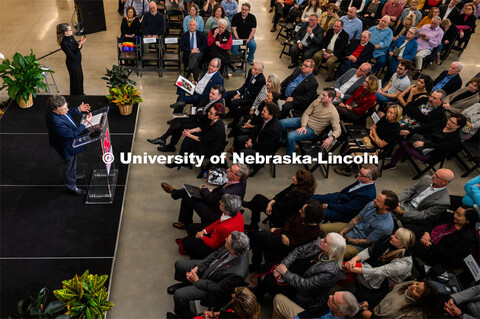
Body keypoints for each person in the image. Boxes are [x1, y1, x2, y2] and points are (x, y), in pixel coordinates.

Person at [256, 233, 346, 317]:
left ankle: (255, 298)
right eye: (324, 238)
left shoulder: (330, 271)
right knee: (263, 268)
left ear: (332, 249)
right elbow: (298, 251)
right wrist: (283, 266)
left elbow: (305, 285)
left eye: (325, 241)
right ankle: (259, 293)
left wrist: (285, 273)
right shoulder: (319, 244)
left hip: (301, 293)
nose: (321, 240)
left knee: (267, 279)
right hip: (290, 270)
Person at [166, 231, 249, 319]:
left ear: (232, 251)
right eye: (227, 238)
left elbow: (218, 289)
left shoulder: (237, 273)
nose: (225, 239)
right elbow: (215, 254)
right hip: (209, 269)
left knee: (179, 295)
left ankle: (181, 316)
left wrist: (197, 281)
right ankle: (185, 283)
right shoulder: (233, 244)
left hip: (211, 286)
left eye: (227, 241)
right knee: (179, 264)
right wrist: (197, 268)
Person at [160, 164, 249, 229]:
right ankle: (176, 195)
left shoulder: (226, 192)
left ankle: (175, 194)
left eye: (230, 170)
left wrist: (204, 189)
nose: (228, 169)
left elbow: (210, 199)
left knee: (187, 194)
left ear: (237, 177)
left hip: (214, 213)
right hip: (220, 203)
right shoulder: (242, 181)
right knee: (188, 193)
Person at [345, 228, 415, 306]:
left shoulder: (404, 264)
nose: (391, 236)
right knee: (346, 267)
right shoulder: (388, 240)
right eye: (394, 234)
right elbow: (369, 251)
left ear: (403, 244)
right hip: (373, 267)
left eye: (396, 237)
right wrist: (354, 259)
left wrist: (355, 269)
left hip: (384, 283)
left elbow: (379, 271)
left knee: (348, 271)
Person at [250, 199, 324, 272]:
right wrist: (284, 234)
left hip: (288, 246)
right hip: (283, 235)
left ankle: (254, 263)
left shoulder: (313, 232)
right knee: (258, 240)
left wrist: (279, 233)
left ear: (309, 216)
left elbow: (294, 243)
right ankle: (255, 264)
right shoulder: (301, 216)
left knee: (258, 237)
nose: (299, 211)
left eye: (302, 211)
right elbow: (290, 221)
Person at [320, 190, 398, 259]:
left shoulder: (385, 226)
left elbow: (367, 242)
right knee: (321, 228)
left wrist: (347, 239)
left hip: (358, 245)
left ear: (386, 207)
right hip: (352, 229)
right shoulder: (372, 205)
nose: (374, 200)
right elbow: (357, 218)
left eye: (378, 200)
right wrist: (342, 232)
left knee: (331, 251)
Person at [151, 85, 224, 153]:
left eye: (213, 94)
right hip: (197, 118)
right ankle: (164, 139)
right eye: (210, 92)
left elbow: (206, 120)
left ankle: (167, 143)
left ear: (219, 96)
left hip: (201, 124)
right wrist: (200, 112)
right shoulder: (210, 98)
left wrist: (201, 112)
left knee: (180, 126)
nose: (210, 94)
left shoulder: (218, 106)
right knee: (178, 120)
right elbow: (199, 106)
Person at [335, 105, 402, 177]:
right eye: (388, 112)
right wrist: (375, 136)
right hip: (371, 139)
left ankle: (347, 170)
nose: (388, 114)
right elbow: (374, 127)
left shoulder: (395, 129)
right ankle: (342, 159)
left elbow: (381, 144)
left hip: (377, 149)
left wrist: (372, 135)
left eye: (391, 113)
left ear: (396, 115)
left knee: (353, 150)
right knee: (349, 142)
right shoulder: (385, 119)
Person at [45, 95, 91, 195]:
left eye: (66, 106)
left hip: (67, 142)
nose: (66, 110)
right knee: (69, 164)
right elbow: (71, 135)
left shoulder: (59, 110)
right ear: (54, 110)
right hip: (66, 146)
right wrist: (84, 125)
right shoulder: (55, 121)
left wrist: (78, 109)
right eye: (63, 109)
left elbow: (67, 113)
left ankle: (72, 176)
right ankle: (71, 186)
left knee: (72, 162)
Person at [412, 205, 478, 273]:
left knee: (409, 242)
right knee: (409, 228)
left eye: (459, 215)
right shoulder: (450, 217)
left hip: (434, 253)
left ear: (468, 221)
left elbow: (450, 254)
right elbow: (433, 222)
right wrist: (427, 233)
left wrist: (430, 245)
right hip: (428, 237)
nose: (455, 215)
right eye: (456, 212)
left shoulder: (466, 238)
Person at [244, 169, 317, 230]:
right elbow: (283, 192)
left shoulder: (299, 199)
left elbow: (283, 207)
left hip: (282, 217)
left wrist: (272, 202)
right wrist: (272, 201)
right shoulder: (297, 186)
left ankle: (253, 223)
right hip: (281, 207)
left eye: (296, 177)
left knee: (258, 199)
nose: (293, 177)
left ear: (301, 182)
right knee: (258, 201)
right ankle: (252, 208)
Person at [178, 194, 244, 259]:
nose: (219, 202)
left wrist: (202, 237)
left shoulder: (225, 228)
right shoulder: (235, 213)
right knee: (191, 227)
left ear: (227, 209)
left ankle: (196, 255)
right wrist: (204, 231)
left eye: (222, 203)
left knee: (186, 241)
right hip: (217, 233)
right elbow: (219, 221)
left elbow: (214, 244)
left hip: (216, 246)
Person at [280, 88, 341, 155]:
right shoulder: (317, 101)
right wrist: (303, 125)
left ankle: (289, 156)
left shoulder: (333, 113)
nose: (321, 96)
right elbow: (306, 113)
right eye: (322, 94)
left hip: (312, 130)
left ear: (331, 98)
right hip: (304, 121)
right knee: (281, 123)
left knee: (291, 136)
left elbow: (338, 130)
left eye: (324, 95)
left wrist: (331, 138)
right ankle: (284, 140)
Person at [165, 103, 226, 169]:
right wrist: (190, 131)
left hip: (210, 147)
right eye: (209, 111)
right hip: (207, 138)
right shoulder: (212, 119)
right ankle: (183, 160)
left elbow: (202, 139)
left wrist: (189, 135)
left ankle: (182, 160)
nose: (208, 113)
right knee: (188, 138)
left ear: (217, 117)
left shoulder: (217, 128)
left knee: (188, 140)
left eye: (211, 113)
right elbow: (202, 128)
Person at [315, 164, 379, 221]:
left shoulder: (367, 195)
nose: (358, 174)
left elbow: (348, 209)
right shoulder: (362, 180)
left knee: (313, 212)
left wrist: (328, 205)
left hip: (343, 212)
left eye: (361, 174)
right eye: (359, 172)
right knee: (312, 197)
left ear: (369, 179)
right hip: (339, 198)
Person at [389, 169, 455, 225]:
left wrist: (401, 212)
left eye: (437, 176)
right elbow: (410, 191)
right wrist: (395, 200)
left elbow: (423, 216)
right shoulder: (426, 179)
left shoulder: (443, 202)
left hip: (415, 213)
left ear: (444, 182)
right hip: (406, 204)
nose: (433, 176)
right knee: (385, 203)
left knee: (385, 213)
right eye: (435, 173)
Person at [358, 281, 441, 319]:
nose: (413, 286)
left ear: (421, 300)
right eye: (417, 283)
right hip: (376, 309)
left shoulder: (415, 315)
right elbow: (388, 291)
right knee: (359, 293)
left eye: (417, 291)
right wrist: (370, 303)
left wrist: (371, 317)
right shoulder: (410, 285)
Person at [225, 62, 266, 128]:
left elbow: (253, 94)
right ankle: (231, 113)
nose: (252, 70)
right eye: (253, 68)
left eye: (255, 69)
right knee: (227, 94)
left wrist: (241, 97)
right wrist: (239, 93)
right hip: (245, 92)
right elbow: (246, 84)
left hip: (250, 98)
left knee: (233, 103)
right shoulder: (250, 71)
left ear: (260, 71)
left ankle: (234, 120)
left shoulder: (261, 80)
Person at [273, 290, 358, 319]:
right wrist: (296, 318)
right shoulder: (335, 308)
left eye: (333, 300)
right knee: (279, 298)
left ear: (341, 313)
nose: (329, 297)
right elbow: (314, 312)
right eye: (333, 294)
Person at [57, 23, 86, 95]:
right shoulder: (64, 43)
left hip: (77, 62)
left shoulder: (71, 37)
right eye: (70, 30)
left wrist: (80, 44)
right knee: (75, 81)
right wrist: (79, 46)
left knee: (80, 79)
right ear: (65, 32)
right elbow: (73, 56)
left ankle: (81, 93)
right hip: (73, 64)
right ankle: (76, 95)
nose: (72, 31)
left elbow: (77, 48)